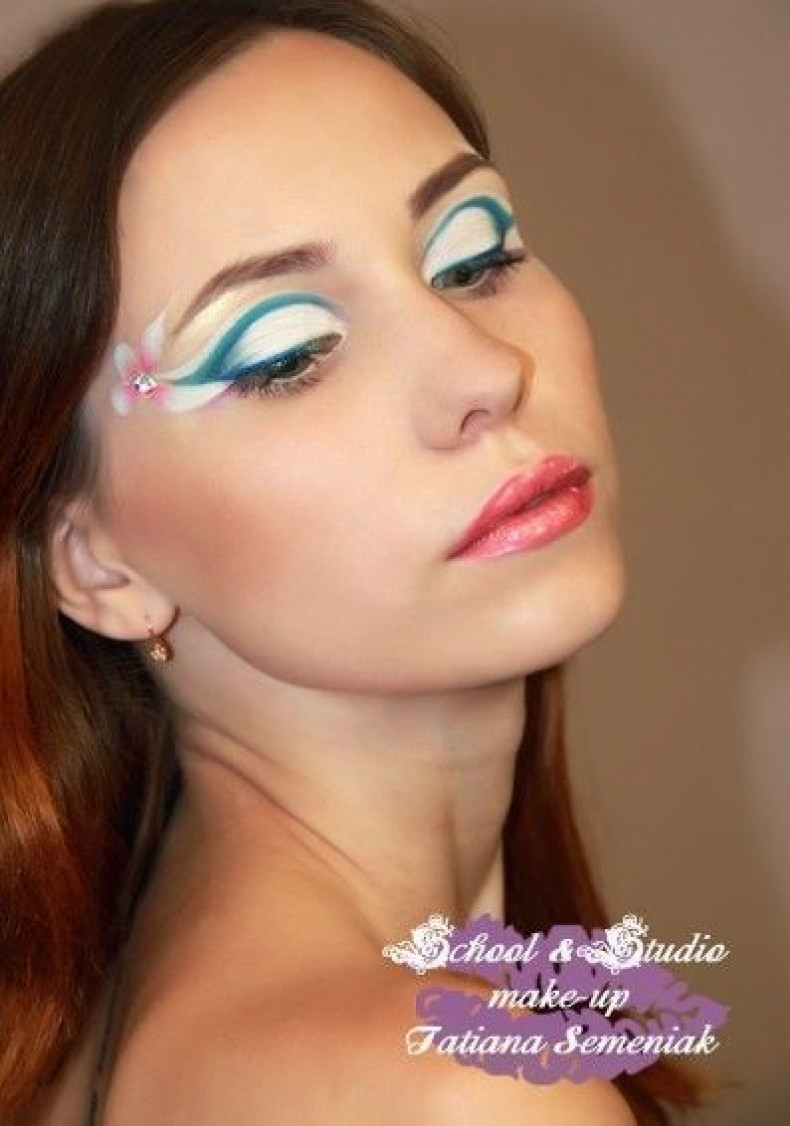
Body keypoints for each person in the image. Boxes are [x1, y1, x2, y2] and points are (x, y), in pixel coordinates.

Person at [0, 0, 708, 1121]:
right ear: (96, 566)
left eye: (475, 256)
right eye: (287, 353)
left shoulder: (133, 1010)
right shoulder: (465, 1090)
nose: (485, 370)